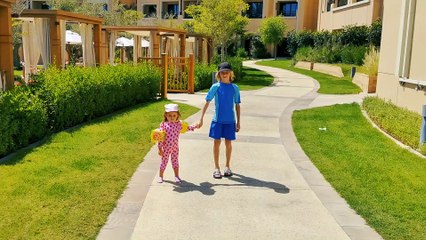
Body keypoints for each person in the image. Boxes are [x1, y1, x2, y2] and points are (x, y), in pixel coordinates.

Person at [198, 62, 241, 179]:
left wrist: (238, 122)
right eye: (223, 72)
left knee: (228, 143)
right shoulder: (215, 87)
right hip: (217, 121)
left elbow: (237, 105)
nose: (225, 74)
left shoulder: (235, 88)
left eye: (227, 72)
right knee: (216, 143)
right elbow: (207, 102)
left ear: (231, 73)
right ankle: (216, 168)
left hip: (230, 121)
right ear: (219, 74)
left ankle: (227, 166)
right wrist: (201, 119)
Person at [157, 103, 198, 183]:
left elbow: (187, 128)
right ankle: (160, 176)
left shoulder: (178, 124)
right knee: (164, 162)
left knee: (175, 161)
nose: (172, 117)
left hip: (175, 148)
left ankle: (177, 176)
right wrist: (160, 148)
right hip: (166, 148)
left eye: (174, 115)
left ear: (177, 115)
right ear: (166, 115)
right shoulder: (163, 125)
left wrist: (195, 126)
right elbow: (160, 138)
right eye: (169, 115)